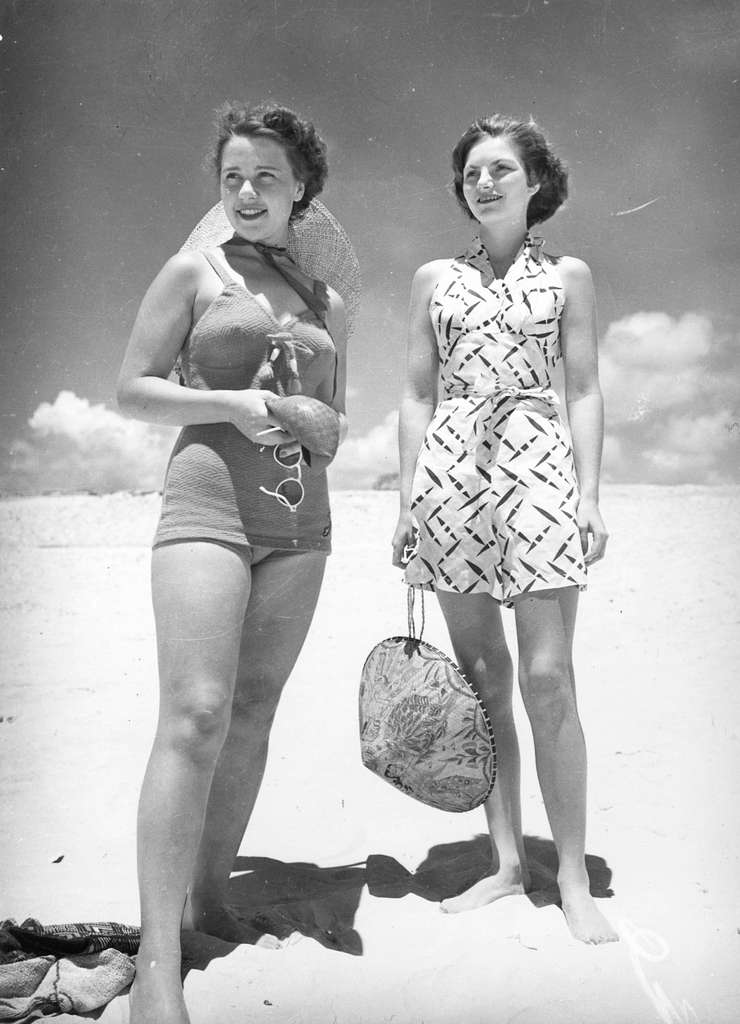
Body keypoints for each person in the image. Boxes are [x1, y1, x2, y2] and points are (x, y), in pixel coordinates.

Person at [117, 102, 348, 1024]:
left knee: (252, 712)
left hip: (304, 526)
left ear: (301, 190)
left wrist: (308, 417)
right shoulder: (192, 271)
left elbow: (338, 422)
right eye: (232, 177)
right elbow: (132, 392)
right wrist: (232, 405)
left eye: (266, 177)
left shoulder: (331, 303)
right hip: (207, 505)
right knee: (196, 714)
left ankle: (208, 899)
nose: (246, 192)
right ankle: (156, 963)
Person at [392, 114, 618, 945]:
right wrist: (408, 503)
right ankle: (506, 863)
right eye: (471, 172)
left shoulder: (569, 276)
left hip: (539, 465)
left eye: (500, 170)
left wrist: (590, 494)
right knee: (483, 677)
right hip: (451, 473)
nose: (483, 183)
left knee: (549, 676)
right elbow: (417, 394)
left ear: (535, 184)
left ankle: (570, 876)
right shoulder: (431, 280)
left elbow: (585, 388)